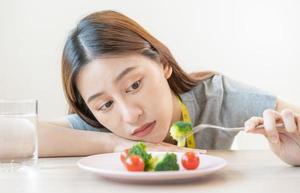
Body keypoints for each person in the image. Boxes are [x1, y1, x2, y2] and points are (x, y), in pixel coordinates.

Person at [38, 10, 300, 166]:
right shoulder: (101, 125)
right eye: (105, 104)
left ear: (163, 64)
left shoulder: (216, 97)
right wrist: (112, 143)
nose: (130, 115)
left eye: (134, 85)